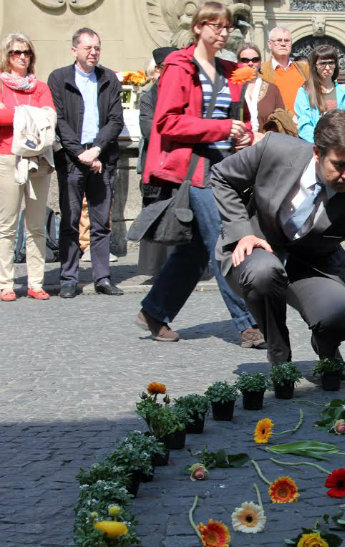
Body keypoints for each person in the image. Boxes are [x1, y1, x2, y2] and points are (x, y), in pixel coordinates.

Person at [210, 109, 345, 385]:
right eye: (339, 164)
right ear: (317, 153)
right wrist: (242, 232)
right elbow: (222, 177)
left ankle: (327, 349)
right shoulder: (274, 149)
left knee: (339, 314)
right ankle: (279, 355)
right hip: (256, 251)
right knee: (263, 272)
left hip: (312, 264)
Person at [137, 1, 264, 348]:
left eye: (226, 27)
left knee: (195, 251)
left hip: (225, 168)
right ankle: (248, 323)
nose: (222, 33)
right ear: (197, 27)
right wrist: (222, 128)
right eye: (214, 26)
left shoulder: (230, 69)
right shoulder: (180, 67)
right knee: (225, 242)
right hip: (195, 169)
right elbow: (166, 121)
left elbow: (240, 117)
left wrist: (244, 134)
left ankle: (154, 310)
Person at [48, 27, 123, 298]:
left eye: (97, 48)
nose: (93, 52)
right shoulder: (59, 78)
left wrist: (97, 150)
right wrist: (81, 153)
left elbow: (116, 119)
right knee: (69, 219)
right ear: (74, 50)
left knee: (101, 222)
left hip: (102, 157)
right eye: (87, 48)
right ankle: (69, 277)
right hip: (71, 159)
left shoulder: (109, 78)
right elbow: (59, 120)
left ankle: (102, 277)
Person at [0, 32, 56, 302]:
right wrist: (29, 114)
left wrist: (15, 114)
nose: (22, 57)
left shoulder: (41, 87)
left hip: (37, 158)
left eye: (26, 52)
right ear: (6, 56)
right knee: (7, 225)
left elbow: (50, 117)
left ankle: (36, 282)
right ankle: (6, 283)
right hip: (7, 156)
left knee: (36, 224)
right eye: (15, 52)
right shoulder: (1, 84)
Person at [137, 46, 176, 279]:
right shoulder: (149, 95)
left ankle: (177, 267)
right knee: (155, 214)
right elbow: (148, 129)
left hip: (179, 163)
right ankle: (154, 269)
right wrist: (177, 133)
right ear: (160, 70)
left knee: (177, 214)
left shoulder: (182, 91)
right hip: (157, 163)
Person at [294, 45, 345, 143]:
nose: (327, 68)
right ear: (315, 66)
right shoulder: (304, 92)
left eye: (331, 63)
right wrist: (322, 142)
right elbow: (304, 126)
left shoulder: (344, 93)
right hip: (314, 145)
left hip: (339, 145)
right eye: (322, 64)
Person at [258, 27, 308, 114]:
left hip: (304, 124)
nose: (283, 44)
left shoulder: (304, 69)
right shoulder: (261, 71)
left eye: (287, 41)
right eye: (279, 40)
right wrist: (290, 117)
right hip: (275, 124)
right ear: (269, 44)